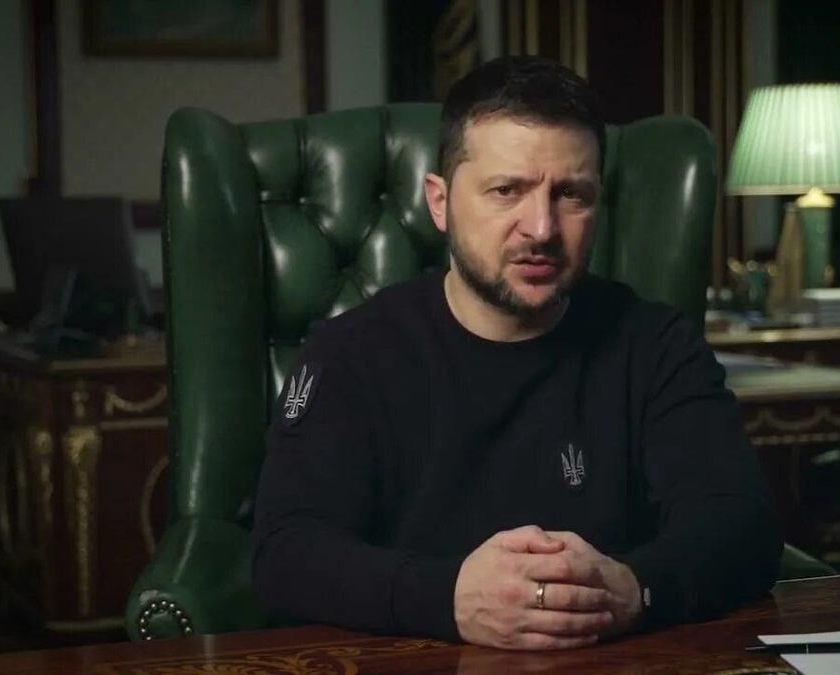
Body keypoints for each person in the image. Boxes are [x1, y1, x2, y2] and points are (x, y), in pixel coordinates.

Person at [250, 55, 782, 651]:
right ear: (439, 202)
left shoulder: (655, 344)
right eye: (507, 191)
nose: (541, 229)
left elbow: (742, 526)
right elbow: (284, 553)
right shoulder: (349, 355)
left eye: (571, 195)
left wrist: (635, 589)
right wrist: (449, 597)